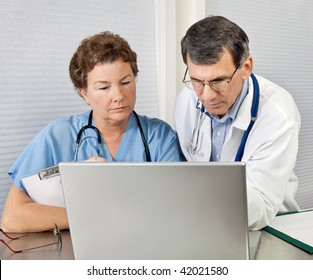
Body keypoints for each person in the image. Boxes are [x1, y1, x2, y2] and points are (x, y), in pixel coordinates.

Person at [1, 31, 185, 233]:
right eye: (104, 87)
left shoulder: (160, 137)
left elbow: (176, 209)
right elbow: (13, 218)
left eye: (126, 82)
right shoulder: (58, 136)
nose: (118, 96)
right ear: (84, 93)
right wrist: (91, 215)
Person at [174, 16, 301, 230]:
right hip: (208, 224)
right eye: (197, 81)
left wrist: (200, 192)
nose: (206, 96)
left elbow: (261, 206)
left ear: (246, 67)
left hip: (269, 228)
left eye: (218, 81)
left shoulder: (278, 114)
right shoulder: (186, 100)